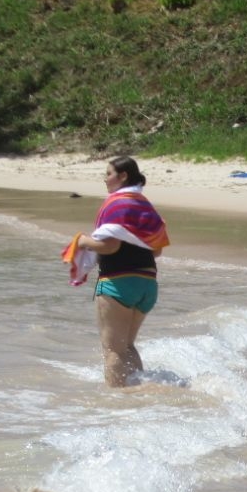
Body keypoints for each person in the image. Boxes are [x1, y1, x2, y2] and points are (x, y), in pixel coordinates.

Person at [72, 156, 170, 387]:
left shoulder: (117, 204)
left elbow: (111, 246)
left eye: (108, 174)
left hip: (118, 282)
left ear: (123, 176)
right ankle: (137, 392)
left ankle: (118, 405)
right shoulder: (145, 206)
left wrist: (83, 242)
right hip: (148, 283)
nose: (104, 179)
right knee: (127, 346)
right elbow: (156, 252)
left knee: (113, 350)